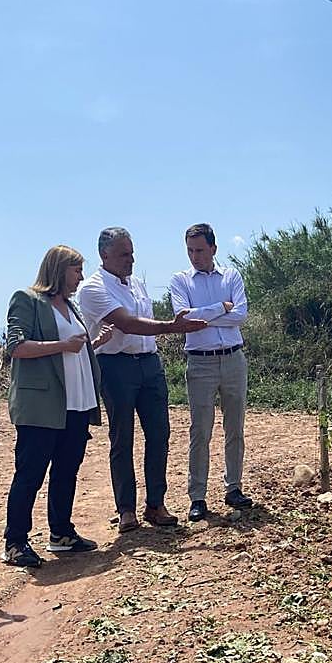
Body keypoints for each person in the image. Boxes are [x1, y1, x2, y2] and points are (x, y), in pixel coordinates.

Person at [77, 226, 207, 532]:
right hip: (115, 366)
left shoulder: (136, 283)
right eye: (124, 254)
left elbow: (138, 322)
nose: (130, 259)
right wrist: (170, 327)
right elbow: (125, 323)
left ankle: (155, 504)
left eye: (132, 252)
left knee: (159, 434)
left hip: (149, 363)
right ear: (104, 255)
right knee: (122, 438)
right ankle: (126, 509)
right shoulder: (93, 288)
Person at [2, 246, 114, 567]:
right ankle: (15, 541)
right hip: (42, 405)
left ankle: (61, 533)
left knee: (67, 471)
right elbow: (17, 346)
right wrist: (65, 345)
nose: (80, 276)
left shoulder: (69, 306)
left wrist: (94, 343)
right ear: (59, 269)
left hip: (76, 403)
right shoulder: (27, 300)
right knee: (30, 473)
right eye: (76, 270)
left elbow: (74, 350)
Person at [169, 223, 253, 521]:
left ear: (213, 249)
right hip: (200, 361)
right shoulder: (180, 281)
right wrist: (222, 308)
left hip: (233, 359)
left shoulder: (231, 275)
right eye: (190, 250)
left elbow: (241, 315)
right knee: (200, 430)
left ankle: (234, 488)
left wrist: (205, 316)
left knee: (235, 427)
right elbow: (184, 320)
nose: (195, 256)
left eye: (200, 250)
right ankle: (198, 496)